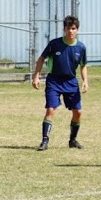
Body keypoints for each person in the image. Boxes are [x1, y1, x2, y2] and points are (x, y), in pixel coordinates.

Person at [32, 15, 88, 151]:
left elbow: (83, 65)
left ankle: (73, 140)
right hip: (54, 81)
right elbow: (41, 59)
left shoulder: (81, 47)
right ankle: (44, 141)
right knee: (50, 109)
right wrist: (36, 76)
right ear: (64, 29)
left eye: (73, 28)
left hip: (71, 82)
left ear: (77, 30)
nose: (71, 31)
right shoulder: (54, 44)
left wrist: (85, 80)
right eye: (68, 28)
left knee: (78, 112)